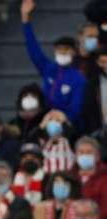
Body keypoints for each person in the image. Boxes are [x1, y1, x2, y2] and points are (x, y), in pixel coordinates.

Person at [21, 0, 85, 128]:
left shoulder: (78, 78)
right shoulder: (49, 69)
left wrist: (61, 118)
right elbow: (33, 49)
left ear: (74, 52)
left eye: (66, 49)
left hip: (68, 124)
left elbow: (76, 108)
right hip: (45, 120)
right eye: (59, 49)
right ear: (55, 51)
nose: (62, 52)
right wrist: (25, 20)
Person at [76, 136, 107, 219]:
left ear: (97, 156)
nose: (84, 155)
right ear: (76, 156)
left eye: (89, 152)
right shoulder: (69, 176)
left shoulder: (105, 177)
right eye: (81, 152)